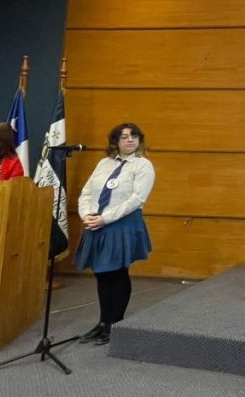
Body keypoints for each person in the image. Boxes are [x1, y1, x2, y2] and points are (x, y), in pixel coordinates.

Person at [73, 123, 155, 345]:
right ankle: (103, 322)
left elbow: (136, 199)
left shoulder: (142, 165)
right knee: (102, 274)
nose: (130, 140)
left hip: (121, 225)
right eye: (124, 136)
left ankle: (115, 324)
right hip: (97, 224)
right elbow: (87, 193)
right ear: (115, 141)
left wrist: (105, 218)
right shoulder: (104, 163)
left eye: (134, 136)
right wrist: (86, 214)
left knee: (118, 272)